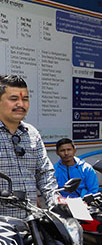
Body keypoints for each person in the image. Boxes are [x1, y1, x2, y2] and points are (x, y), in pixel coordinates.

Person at [0, 75, 58, 217]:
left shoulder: (32, 133)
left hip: (32, 222)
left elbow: (44, 173)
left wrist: (55, 201)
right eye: (13, 99)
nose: (21, 104)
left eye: (25, 99)